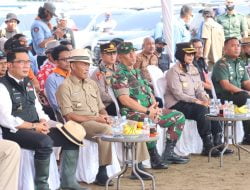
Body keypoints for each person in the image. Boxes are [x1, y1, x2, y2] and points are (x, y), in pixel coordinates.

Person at [0, 47, 88, 190]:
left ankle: (68, 182)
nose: (26, 66)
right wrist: (34, 127)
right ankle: (41, 186)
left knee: (72, 137)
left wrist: (42, 121)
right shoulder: (2, 85)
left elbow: (38, 108)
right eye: (21, 62)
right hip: (14, 132)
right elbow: (5, 119)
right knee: (44, 142)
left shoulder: (28, 82)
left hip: (36, 127)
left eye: (28, 62)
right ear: (10, 65)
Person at [111, 42, 189, 169]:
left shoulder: (137, 72)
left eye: (133, 52)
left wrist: (155, 107)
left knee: (178, 116)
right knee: (147, 121)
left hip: (149, 110)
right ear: (120, 57)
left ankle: (168, 153)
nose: (132, 55)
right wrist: (148, 111)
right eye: (128, 53)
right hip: (132, 114)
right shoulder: (120, 74)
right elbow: (125, 100)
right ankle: (154, 156)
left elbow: (149, 92)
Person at [56, 48, 125, 186]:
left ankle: (137, 165)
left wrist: (106, 117)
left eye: (88, 64)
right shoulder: (65, 87)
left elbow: (101, 108)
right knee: (105, 130)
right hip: (78, 125)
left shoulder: (91, 84)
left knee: (129, 125)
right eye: (83, 64)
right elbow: (69, 116)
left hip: (96, 121)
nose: (87, 68)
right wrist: (96, 119)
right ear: (72, 65)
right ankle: (102, 170)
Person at [165, 42, 232, 157]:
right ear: (181, 55)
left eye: (192, 54)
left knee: (211, 107)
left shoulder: (193, 69)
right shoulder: (173, 71)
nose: (191, 56)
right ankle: (207, 146)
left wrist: (206, 99)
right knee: (202, 110)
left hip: (191, 103)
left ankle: (218, 143)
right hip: (177, 104)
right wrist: (197, 101)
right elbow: (178, 94)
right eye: (188, 54)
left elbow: (199, 90)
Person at [191, 39, 233, 155]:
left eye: (201, 47)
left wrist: (207, 87)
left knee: (216, 110)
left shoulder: (201, 61)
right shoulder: (190, 63)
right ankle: (208, 146)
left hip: (204, 93)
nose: (200, 49)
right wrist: (207, 86)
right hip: (195, 94)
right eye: (197, 47)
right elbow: (195, 81)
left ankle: (218, 143)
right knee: (209, 110)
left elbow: (205, 80)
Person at [212, 37, 250, 145]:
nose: (237, 48)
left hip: (238, 95)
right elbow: (226, 85)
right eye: (233, 46)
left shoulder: (240, 63)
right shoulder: (221, 64)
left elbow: (246, 83)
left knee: (245, 97)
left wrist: (246, 91)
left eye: (238, 45)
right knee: (246, 98)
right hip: (224, 98)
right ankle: (248, 136)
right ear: (225, 49)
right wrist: (245, 92)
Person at [31, 2, 64, 69]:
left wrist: (55, 31)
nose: (51, 17)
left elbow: (48, 38)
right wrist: (55, 36)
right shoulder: (37, 25)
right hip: (43, 57)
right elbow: (41, 44)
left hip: (50, 56)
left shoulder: (43, 23)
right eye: (51, 15)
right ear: (46, 12)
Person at [90, 42, 117, 116]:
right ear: (102, 55)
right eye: (109, 54)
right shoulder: (98, 73)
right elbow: (102, 95)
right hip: (108, 105)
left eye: (114, 53)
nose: (112, 56)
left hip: (122, 100)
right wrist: (120, 97)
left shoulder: (119, 68)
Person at [45, 45, 70, 113]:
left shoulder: (74, 73)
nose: (68, 62)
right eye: (64, 60)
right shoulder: (52, 79)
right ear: (56, 62)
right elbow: (55, 103)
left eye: (69, 58)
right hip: (66, 113)